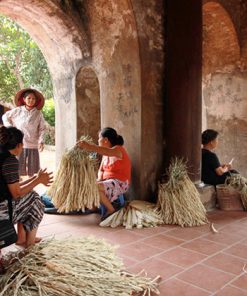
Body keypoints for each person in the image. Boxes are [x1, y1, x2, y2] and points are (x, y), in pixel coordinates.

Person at [0, 125, 53, 248]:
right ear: (18, 145)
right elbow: (16, 193)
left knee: (29, 195)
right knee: (34, 199)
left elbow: (13, 187)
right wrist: (38, 180)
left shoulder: (2, 154)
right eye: (22, 144)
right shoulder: (10, 161)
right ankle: (30, 244)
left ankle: (21, 238)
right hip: (2, 213)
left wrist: (35, 178)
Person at [77, 127, 131, 220]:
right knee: (88, 184)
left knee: (95, 186)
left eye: (99, 138)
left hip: (120, 183)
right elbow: (101, 170)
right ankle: (93, 207)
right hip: (108, 182)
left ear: (105, 140)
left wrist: (88, 146)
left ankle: (111, 211)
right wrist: (99, 180)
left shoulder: (118, 150)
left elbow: (107, 151)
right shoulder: (105, 155)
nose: (98, 140)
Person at [2, 88, 46, 177]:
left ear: (36, 101)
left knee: (33, 170)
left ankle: (31, 187)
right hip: (19, 143)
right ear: (24, 99)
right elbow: (5, 117)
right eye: (29, 98)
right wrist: (10, 128)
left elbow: (42, 128)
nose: (31, 100)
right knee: (17, 168)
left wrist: (41, 141)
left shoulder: (38, 113)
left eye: (33, 99)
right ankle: (18, 186)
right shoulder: (18, 110)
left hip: (32, 144)